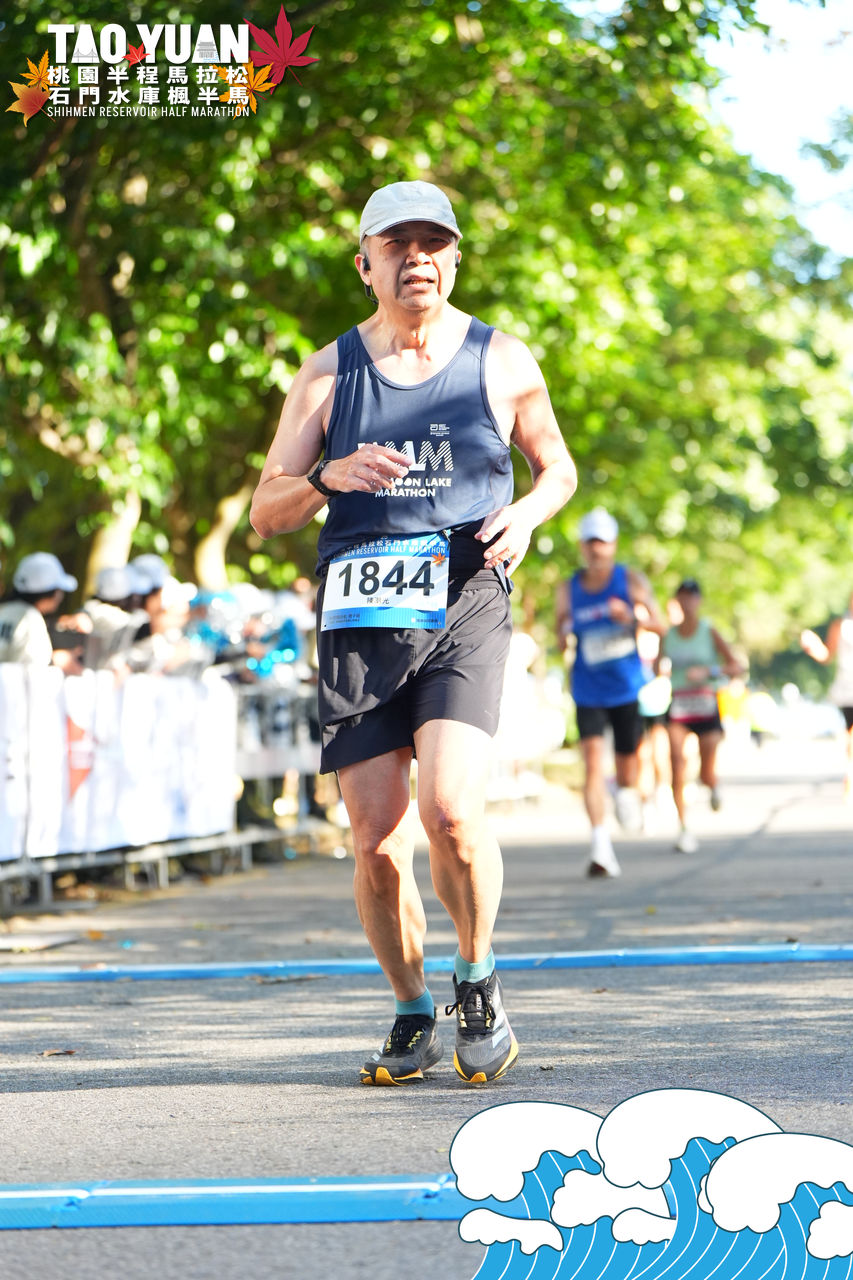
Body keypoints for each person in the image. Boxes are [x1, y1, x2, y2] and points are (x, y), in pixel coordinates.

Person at [250, 179, 576, 1085]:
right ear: (365, 264)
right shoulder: (327, 374)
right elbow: (265, 512)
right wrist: (328, 477)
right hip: (360, 615)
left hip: (465, 600)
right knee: (375, 840)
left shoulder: (500, 359)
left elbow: (555, 467)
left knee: (451, 814)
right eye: (397, 245)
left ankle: (476, 976)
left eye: (433, 243)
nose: (416, 259)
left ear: (455, 259)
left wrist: (529, 514)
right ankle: (409, 1009)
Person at [556, 508, 666, 878]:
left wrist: (632, 618)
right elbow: (560, 632)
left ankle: (626, 791)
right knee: (591, 764)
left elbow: (661, 625)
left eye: (602, 543)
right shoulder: (568, 588)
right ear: (582, 547)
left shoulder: (630, 580)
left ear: (614, 544)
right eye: (590, 543)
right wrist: (564, 633)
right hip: (588, 690)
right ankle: (600, 846)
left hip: (625, 689)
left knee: (627, 767)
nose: (596, 550)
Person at [659, 579, 744, 853]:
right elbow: (656, 667)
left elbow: (736, 666)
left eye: (691, 597)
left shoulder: (709, 631)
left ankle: (711, 783)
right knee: (676, 762)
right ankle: (683, 827)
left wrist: (709, 672)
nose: (687, 602)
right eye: (682, 597)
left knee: (706, 771)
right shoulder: (668, 635)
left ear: (699, 601)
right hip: (680, 703)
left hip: (706, 703)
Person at [801, 592, 853, 800]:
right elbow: (827, 655)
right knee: (850, 736)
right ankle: (850, 776)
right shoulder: (840, 625)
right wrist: (813, 646)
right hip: (847, 690)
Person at [0, 552, 78, 665]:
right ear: (49, 592)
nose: (60, 596)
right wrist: (56, 661)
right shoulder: (31, 619)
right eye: (59, 589)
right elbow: (32, 670)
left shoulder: (4, 609)